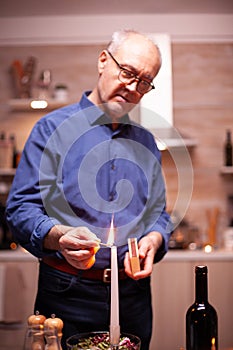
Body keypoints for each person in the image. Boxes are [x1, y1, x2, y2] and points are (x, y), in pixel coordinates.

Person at [6, 29, 172, 350]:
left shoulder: (147, 141)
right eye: (128, 73)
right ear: (102, 61)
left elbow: (158, 215)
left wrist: (155, 238)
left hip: (133, 296)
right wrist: (59, 235)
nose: (133, 87)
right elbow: (20, 209)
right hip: (67, 293)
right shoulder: (50, 129)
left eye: (144, 82)